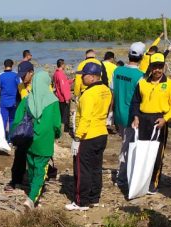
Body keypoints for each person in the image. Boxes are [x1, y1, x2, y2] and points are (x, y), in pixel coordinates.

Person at [130, 53, 171, 193]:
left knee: (157, 153)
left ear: (164, 67)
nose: (157, 70)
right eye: (155, 66)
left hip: (159, 120)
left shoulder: (170, 85)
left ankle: (153, 182)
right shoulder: (142, 82)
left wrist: (166, 118)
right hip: (143, 119)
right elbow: (135, 102)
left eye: (160, 67)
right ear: (150, 67)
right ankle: (140, 180)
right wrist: (136, 116)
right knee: (141, 151)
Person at [12, 71, 61, 210]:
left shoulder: (27, 100)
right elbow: (56, 124)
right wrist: (56, 135)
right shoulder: (53, 101)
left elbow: (17, 120)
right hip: (44, 140)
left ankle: (32, 192)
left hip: (28, 139)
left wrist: (15, 138)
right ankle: (32, 198)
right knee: (41, 169)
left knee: (32, 166)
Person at [67, 62, 111, 211]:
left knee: (82, 169)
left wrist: (77, 138)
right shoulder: (106, 90)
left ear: (92, 77)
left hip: (88, 135)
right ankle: (94, 197)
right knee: (96, 167)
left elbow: (85, 118)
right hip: (101, 133)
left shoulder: (88, 94)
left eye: (83, 75)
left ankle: (81, 201)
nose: (81, 78)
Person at [112, 43, 146, 189]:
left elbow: (112, 92)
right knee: (127, 146)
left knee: (125, 143)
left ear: (128, 55)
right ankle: (122, 177)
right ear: (142, 57)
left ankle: (124, 174)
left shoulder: (117, 71)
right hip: (132, 117)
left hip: (118, 114)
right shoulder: (140, 76)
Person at [7, 62, 35, 191]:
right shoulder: (20, 87)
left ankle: (37, 180)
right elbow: (18, 106)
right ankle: (16, 180)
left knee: (35, 153)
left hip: (36, 123)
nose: (23, 78)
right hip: (24, 125)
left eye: (25, 75)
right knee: (20, 153)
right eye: (21, 75)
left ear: (31, 72)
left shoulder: (40, 86)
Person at [0, 59, 21, 138]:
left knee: (3, 120)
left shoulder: (0, 75)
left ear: (4, 65)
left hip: (4, 102)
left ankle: (2, 138)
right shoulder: (16, 75)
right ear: (12, 65)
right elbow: (20, 85)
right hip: (14, 101)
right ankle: (11, 139)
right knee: (12, 120)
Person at [52, 59, 72, 133]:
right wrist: (66, 98)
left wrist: (71, 80)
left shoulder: (56, 73)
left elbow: (64, 83)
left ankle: (63, 128)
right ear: (62, 65)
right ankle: (65, 130)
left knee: (62, 112)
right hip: (63, 97)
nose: (65, 65)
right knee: (65, 114)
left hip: (60, 96)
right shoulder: (60, 74)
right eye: (64, 64)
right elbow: (62, 86)